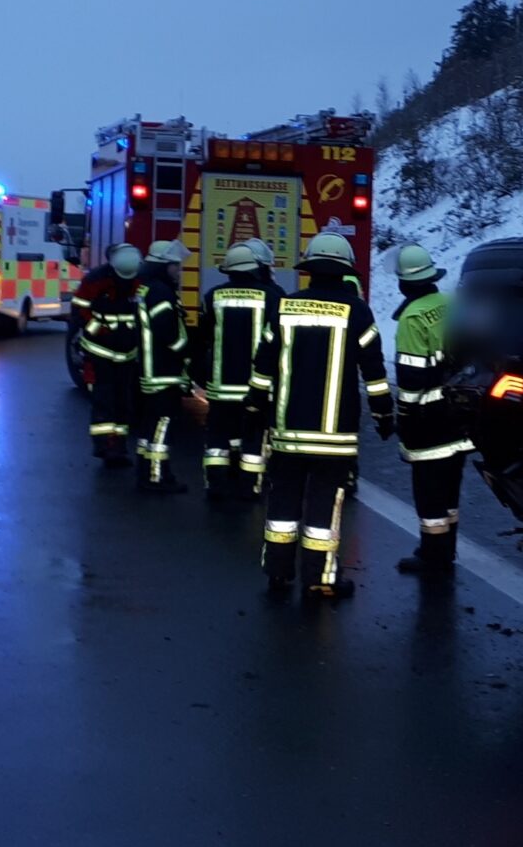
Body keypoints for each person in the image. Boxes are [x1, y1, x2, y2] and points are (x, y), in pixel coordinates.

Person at [244, 231, 393, 599]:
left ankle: (278, 572)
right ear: (344, 271)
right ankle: (320, 578)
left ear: (309, 268)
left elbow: (263, 365)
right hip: (334, 438)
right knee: (324, 509)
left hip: (287, 432)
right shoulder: (358, 312)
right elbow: (374, 373)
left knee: (283, 502)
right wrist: (383, 415)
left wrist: (255, 405)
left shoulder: (285, 307)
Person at [388, 243, 471, 579]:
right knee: (450, 490)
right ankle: (445, 550)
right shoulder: (452, 304)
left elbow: (410, 381)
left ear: (404, 283)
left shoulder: (412, 318)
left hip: (429, 422)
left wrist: (404, 418)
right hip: (460, 416)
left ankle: (433, 557)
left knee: (429, 493)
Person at [195, 240, 281, 499]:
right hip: (256, 386)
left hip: (221, 386)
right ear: (255, 268)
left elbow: (202, 340)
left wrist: (200, 375)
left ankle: (215, 484)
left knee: (218, 436)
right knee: (253, 437)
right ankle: (250, 486)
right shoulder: (272, 297)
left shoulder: (212, 296)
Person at [133, 239, 192, 491]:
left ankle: (146, 472)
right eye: (175, 266)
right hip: (163, 371)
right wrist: (187, 351)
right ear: (163, 266)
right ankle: (156, 478)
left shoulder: (147, 289)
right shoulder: (161, 292)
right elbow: (168, 333)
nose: (178, 270)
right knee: (162, 424)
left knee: (150, 425)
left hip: (150, 370)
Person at [79, 245, 146, 467]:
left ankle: (119, 447)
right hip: (100, 351)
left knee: (123, 401)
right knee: (104, 399)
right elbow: (80, 308)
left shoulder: (138, 278)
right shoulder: (96, 280)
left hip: (127, 353)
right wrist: (99, 330)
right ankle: (104, 447)